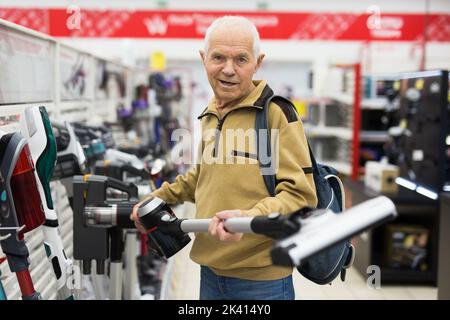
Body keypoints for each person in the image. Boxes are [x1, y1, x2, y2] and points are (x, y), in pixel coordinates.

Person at [131, 15, 317, 300]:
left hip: (261, 280)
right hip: (211, 273)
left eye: (241, 59)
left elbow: (300, 195)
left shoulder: (275, 115)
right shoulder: (210, 113)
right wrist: (157, 198)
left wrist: (247, 219)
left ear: (258, 62)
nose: (228, 70)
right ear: (204, 58)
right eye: (218, 57)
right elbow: (202, 176)